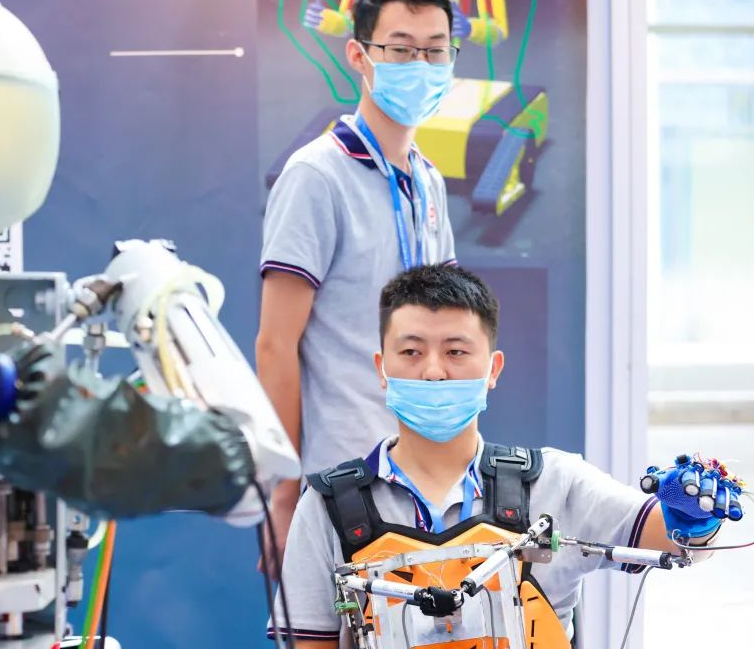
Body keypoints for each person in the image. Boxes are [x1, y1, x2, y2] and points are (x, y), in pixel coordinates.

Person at [268, 264, 744, 647]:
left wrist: (692, 515)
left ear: (492, 368)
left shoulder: (556, 482)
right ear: (382, 368)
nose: (433, 372)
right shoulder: (328, 507)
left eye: (456, 352)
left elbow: (676, 542)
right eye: (411, 352)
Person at [257, 0, 459, 567]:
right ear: (359, 55)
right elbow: (275, 344)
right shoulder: (316, 176)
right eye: (400, 49)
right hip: (342, 480)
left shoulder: (428, 181)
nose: (419, 65)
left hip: (427, 475)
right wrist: (284, 495)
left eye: (435, 51)